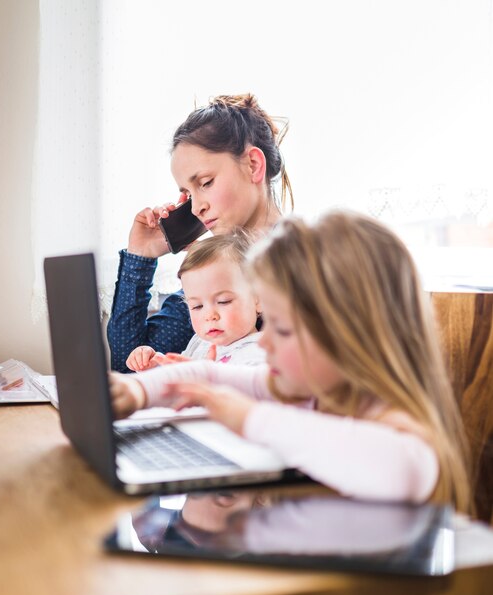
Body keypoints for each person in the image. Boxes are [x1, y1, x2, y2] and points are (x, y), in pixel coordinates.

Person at [109, 211, 471, 511]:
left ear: (347, 337)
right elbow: (204, 372)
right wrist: (136, 391)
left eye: (281, 330)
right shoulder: (307, 388)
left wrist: (249, 417)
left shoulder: (398, 429)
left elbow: (403, 470)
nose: (263, 340)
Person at [107, 93, 293, 372]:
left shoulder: (314, 262)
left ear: (253, 165)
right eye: (187, 194)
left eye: (205, 183)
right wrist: (141, 257)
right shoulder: (219, 266)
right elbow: (128, 365)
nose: (196, 208)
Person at [125, 231, 265, 371]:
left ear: (259, 299)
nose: (209, 315)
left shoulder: (262, 352)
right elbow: (179, 375)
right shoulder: (200, 342)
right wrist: (157, 365)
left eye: (223, 301)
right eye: (197, 306)